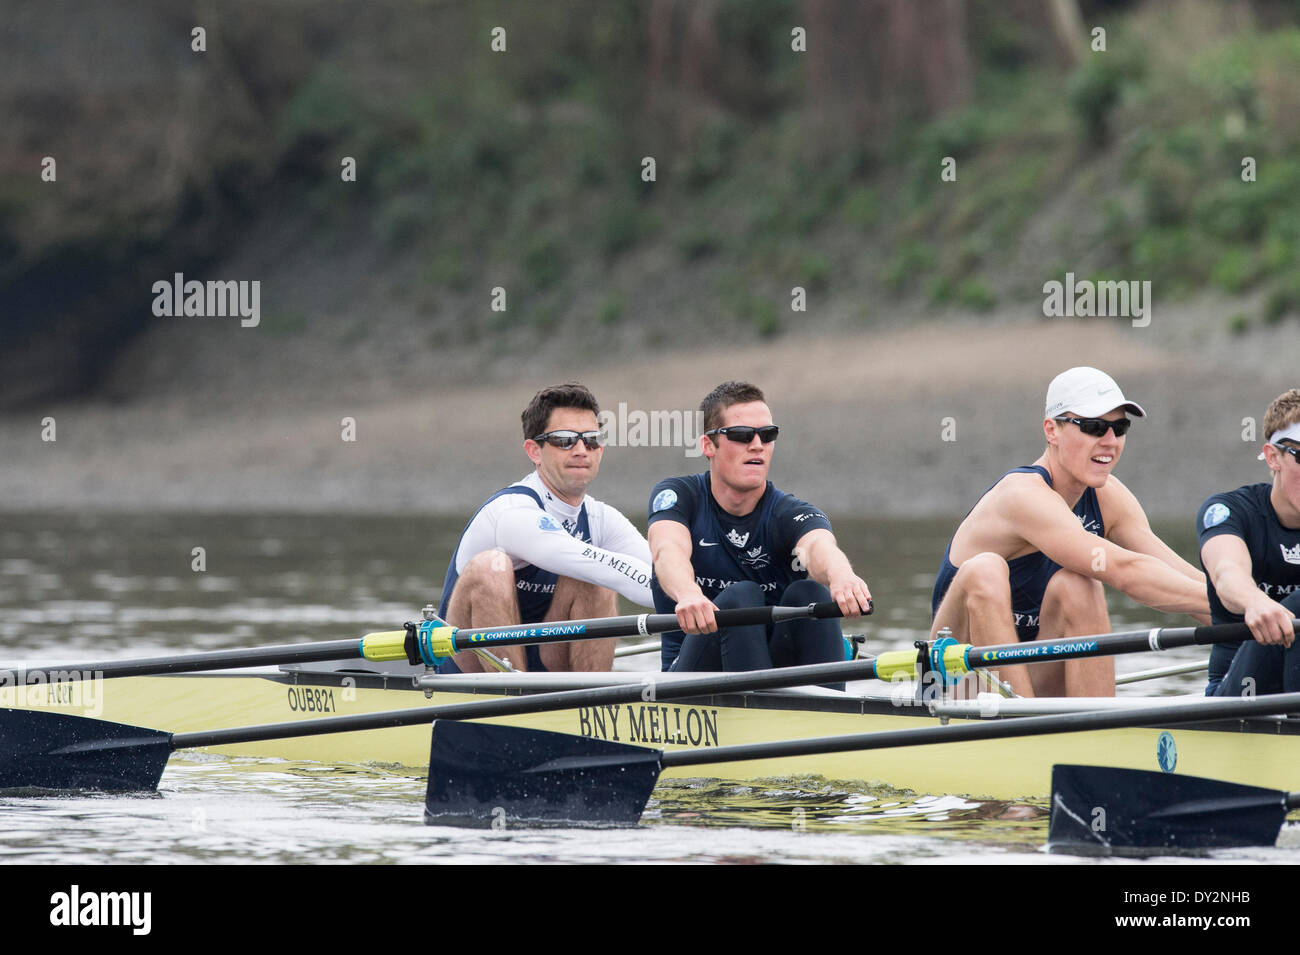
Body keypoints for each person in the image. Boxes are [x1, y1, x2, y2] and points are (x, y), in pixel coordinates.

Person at [930, 366, 1210, 698]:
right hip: (956, 681)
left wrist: (1264, 611)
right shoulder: (1022, 495)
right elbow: (1126, 571)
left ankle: (1094, 736)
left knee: (1079, 584)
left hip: (1027, 676)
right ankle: (1022, 730)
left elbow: (1181, 578)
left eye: (1119, 427)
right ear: (1052, 430)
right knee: (984, 570)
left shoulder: (1109, 497)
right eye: (1093, 427)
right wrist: (1236, 605)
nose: (1110, 441)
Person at [647, 380, 872, 676]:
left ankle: (827, 711)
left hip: (771, 668)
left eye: (767, 435)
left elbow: (818, 546)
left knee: (811, 593)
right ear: (707, 445)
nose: (757, 444)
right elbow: (668, 550)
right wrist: (689, 594)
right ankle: (766, 707)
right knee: (740, 597)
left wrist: (842, 577)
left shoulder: (789, 512)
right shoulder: (680, 496)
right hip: (691, 675)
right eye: (741, 435)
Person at [436, 383, 654, 673]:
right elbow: (603, 566)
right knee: (492, 567)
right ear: (534, 451)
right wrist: (679, 595)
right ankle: (511, 699)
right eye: (564, 440)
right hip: (469, 671)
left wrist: (703, 598)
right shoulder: (512, 511)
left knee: (595, 579)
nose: (580, 450)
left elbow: (661, 573)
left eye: (591, 439)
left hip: (547, 663)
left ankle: (587, 706)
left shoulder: (603, 518)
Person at [1198, 388, 1300, 696]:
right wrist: (1255, 601)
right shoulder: (1230, 511)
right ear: (1273, 457)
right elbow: (1227, 573)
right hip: (1239, 692)